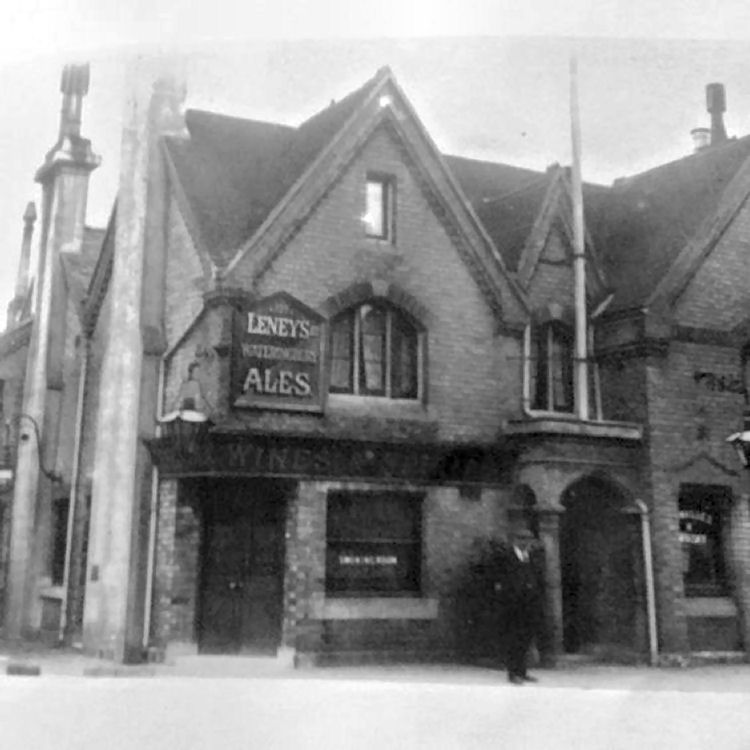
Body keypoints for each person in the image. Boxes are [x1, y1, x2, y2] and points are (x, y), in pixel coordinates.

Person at [493, 526, 545, 685]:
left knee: (525, 639)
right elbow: (499, 579)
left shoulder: (531, 557)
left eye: (528, 540)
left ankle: (522, 671)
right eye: (522, 539)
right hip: (513, 605)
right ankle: (513, 673)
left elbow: (537, 577)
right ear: (515, 540)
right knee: (513, 639)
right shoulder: (506, 557)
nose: (525, 543)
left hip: (529, 605)